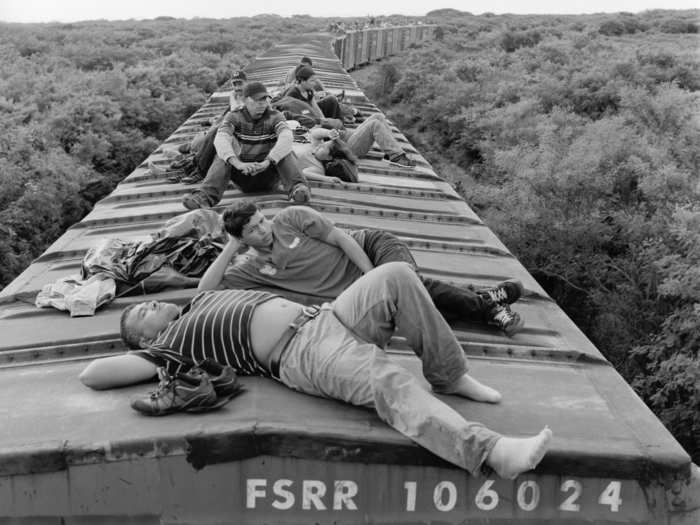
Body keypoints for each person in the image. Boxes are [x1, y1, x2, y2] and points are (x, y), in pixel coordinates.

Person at [79, 263, 552, 479]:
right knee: (385, 379)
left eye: (151, 301)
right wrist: (148, 352)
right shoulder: (167, 347)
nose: (154, 304)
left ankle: (449, 375)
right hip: (300, 353)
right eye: (142, 313)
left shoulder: (200, 299)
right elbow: (93, 375)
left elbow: (216, 270)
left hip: (327, 316)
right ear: (143, 338)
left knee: (397, 276)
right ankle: (490, 451)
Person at [199, 202, 525, 335]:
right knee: (409, 307)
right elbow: (206, 290)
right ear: (241, 239)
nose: (263, 228)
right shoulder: (250, 266)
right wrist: (230, 247)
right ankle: (484, 297)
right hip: (361, 289)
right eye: (253, 230)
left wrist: (372, 275)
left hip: (372, 249)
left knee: (404, 285)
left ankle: (487, 308)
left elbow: (342, 239)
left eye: (261, 220)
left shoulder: (289, 219)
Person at [181, 81, 311, 210]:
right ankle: (204, 197)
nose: (262, 104)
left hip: (268, 173)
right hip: (243, 174)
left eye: (265, 100)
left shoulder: (275, 116)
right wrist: (238, 163)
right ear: (245, 101)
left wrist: (268, 161)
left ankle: (298, 189)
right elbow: (221, 139)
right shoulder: (234, 116)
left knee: (285, 151)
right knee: (223, 154)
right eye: (257, 101)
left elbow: (287, 138)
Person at [295, 113, 417, 177]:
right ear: (329, 158)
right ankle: (396, 155)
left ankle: (389, 151)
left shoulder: (315, 149)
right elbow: (306, 173)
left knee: (378, 116)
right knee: (374, 124)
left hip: (344, 138)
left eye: (323, 145)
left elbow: (315, 133)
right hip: (350, 148)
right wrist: (328, 179)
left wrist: (329, 133)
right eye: (323, 147)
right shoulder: (318, 164)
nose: (320, 146)